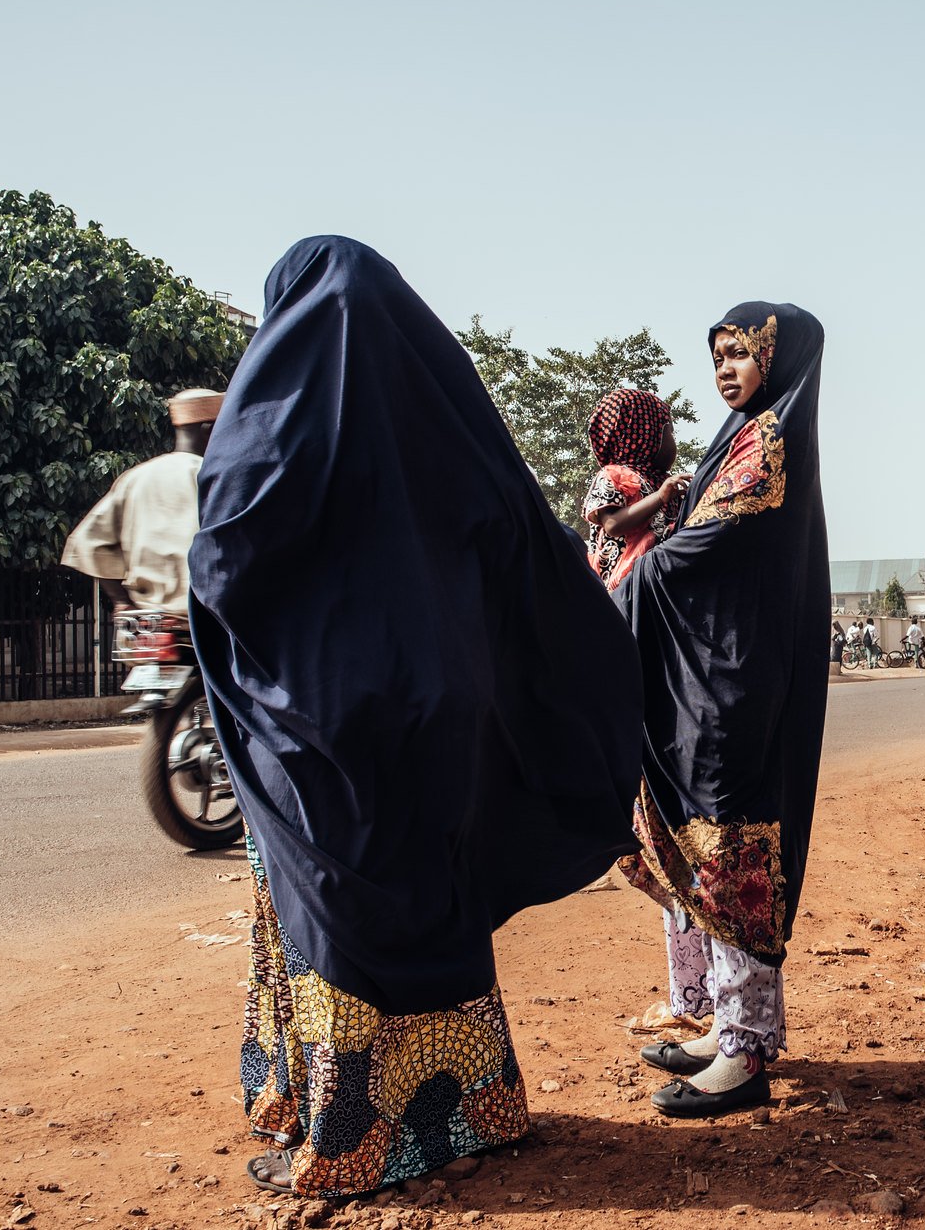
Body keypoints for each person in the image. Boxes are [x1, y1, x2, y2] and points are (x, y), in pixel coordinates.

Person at [189, 237, 642, 1198]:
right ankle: (474, 1107)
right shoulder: (443, 420)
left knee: (338, 912)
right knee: (430, 895)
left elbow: (226, 541)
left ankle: (350, 1135)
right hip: (441, 709)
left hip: (321, 717)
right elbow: (527, 538)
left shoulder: (280, 422)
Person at [621, 301, 828, 1120]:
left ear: (775, 358)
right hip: (713, 669)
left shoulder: (770, 439)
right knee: (711, 850)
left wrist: (633, 577)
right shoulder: (740, 435)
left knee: (733, 851)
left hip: (736, 682)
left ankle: (744, 1051)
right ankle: (730, 1026)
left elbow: (709, 541)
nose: (726, 371)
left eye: (740, 353)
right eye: (717, 358)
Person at [61, 388, 224, 613]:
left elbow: (87, 542)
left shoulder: (135, 478)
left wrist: (121, 602)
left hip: (146, 624)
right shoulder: (213, 478)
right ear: (209, 430)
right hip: (201, 620)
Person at [582, 388, 692, 590]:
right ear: (643, 434)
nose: (673, 441)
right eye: (669, 432)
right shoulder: (613, 475)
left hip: (661, 582)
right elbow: (613, 524)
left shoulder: (664, 481)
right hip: (624, 588)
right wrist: (660, 497)